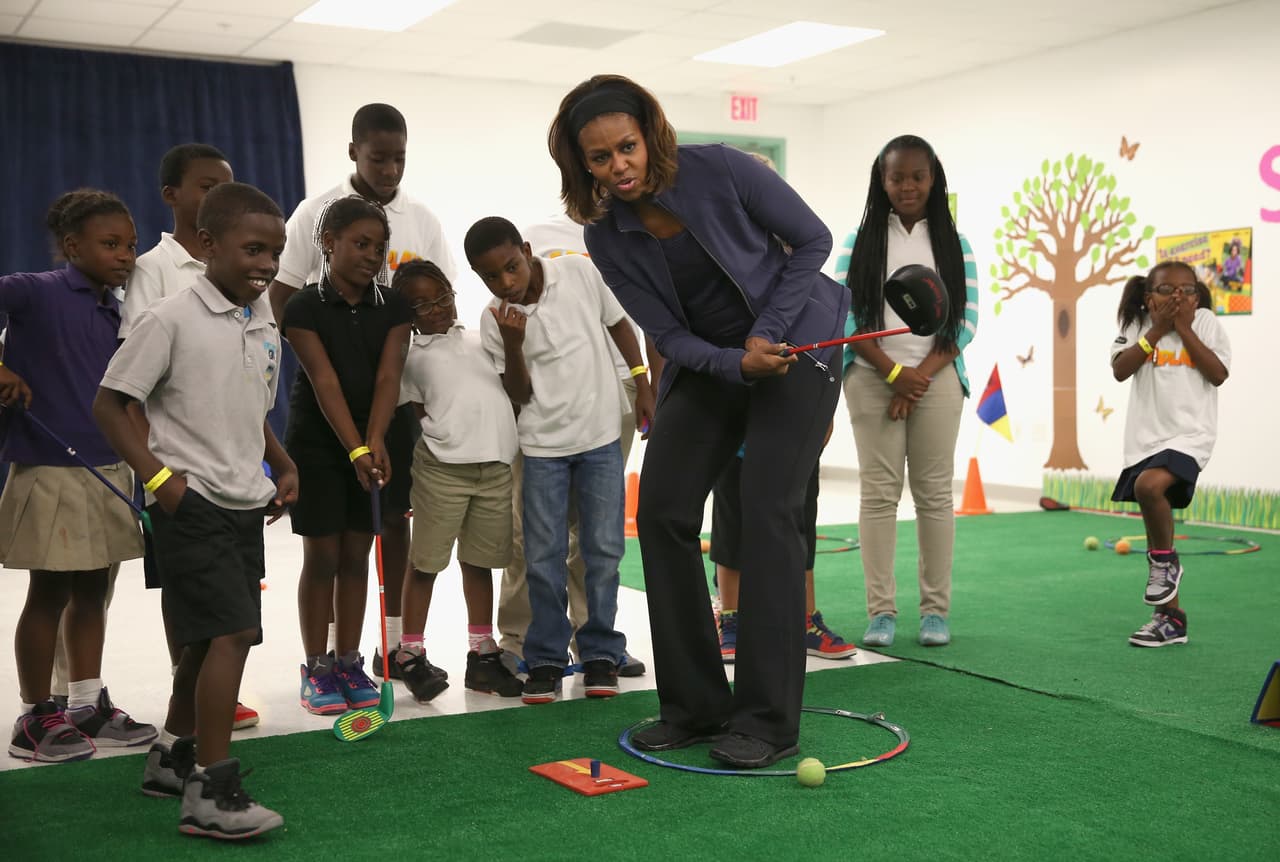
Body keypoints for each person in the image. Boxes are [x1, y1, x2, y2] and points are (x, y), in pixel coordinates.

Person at [551, 75, 847, 768]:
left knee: (767, 507)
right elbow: (666, 336)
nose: (618, 166)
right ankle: (695, 706)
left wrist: (766, 333)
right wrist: (731, 363)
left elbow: (813, 240)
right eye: (599, 158)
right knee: (661, 514)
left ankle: (769, 721)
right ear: (582, 165)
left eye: (626, 147)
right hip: (716, 365)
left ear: (649, 134)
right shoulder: (607, 238)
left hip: (796, 345)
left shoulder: (721, 167)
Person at [94, 181, 295, 839]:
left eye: (276, 251)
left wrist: (282, 464)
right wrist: (160, 480)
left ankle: (171, 757)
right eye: (253, 249)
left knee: (207, 639)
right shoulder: (169, 318)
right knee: (231, 636)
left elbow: (250, 406)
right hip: (193, 504)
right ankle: (210, 791)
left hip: (244, 502)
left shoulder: (262, 317)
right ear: (208, 244)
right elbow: (112, 404)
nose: (266, 263)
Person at [269, 103, 455, 677]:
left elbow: (438, 305)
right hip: (326, 414)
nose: (390, 169)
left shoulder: (419, 220)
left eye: (400, 158)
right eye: (379, 158)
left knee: (384, 530)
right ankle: (319, 660)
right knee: (326, 548)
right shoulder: (312, 214)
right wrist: (318, 347)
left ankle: (392, 647)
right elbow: (285, 296)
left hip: (391, 404)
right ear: (354, 152)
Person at [468, 216, 654, 705]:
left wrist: (644, 383)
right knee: (542, 557)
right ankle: (547, 658)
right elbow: (517, 395)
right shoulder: (494, 319)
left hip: (598, 439)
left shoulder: (578, 272)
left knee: (603, 551)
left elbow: (619, 325)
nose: (506, 283)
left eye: (511, 267)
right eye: (491, 278)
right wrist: (513, 341)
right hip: (541, 448)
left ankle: (599, 654)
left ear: (527, 250)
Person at [1, 189, 154, 764]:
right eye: (111, 244)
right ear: (72, 246)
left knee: (95, 591)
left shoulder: (117, 308)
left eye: (131, 245)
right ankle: (35, 716)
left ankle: (85, 702)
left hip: (108, 466)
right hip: (49, 468)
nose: (125, 255)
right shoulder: (36, 291)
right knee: (48, 594)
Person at [114, 143, 260, 731]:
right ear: (172, 195)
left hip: (233, 472)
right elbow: (133, 385)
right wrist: (159, 476)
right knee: (195, 602)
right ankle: (202, 726)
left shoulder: (243, 281)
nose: (214, 195)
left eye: (224, 185)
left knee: (229, 614)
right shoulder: (155, 272)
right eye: (204, 185)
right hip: (177, 471)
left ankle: (192, 723)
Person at [834, 134, 978, 649]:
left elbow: (965, 320)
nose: (907, 186)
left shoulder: (954, 244)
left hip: (938, 378)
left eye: (917, 176)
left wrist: (920, 376)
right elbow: (847, 316)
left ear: (933, 177)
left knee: (935, 496)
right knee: (879, 495)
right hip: (873, 377)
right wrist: (895, 374)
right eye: (896, 177)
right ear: (882, 180)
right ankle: (882, 612)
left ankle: (935, 612)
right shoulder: (860, 240)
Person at [282, 195, 412, 715]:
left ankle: (349, 660)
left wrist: (375, 439)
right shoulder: (302, 307)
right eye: (360, 244)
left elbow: (389, 376)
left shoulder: (395, 307)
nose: (372, 255)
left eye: (379, 247)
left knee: (357, 552)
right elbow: (323, 379)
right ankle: (316, 666)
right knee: (324, 555)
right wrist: (355, 445)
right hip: (318, 442)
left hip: (376, 438)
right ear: (328, 243)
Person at [395, 259, 522, 700]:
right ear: (406, 312)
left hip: (494, 468)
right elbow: (417, 411)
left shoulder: (479, 340)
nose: (435, 310)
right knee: (426, 562)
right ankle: (410, 653)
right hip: (442, 470)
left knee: (480, 560)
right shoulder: (410, 357)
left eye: (442, 298)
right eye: (422, 305)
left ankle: (481, 653)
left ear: (453, 292)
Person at [1110, 261, 1229, 647]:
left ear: (1197, 295)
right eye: (1167, 290)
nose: (1178, 296)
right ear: (1149, 296)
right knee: (1152, 510)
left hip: (1191, 436)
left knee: (1149, 486)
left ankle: (1164, 563)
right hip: (1145, 439)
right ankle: (1170, 618)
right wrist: (1158, 330)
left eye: (1187, 289)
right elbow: (1121, 369)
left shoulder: (1207, 322)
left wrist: (1183, 328)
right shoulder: (1137, 323)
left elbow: (1218, 373)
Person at [711, 434, 856, 663]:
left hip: (799, 441)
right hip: (737, 439)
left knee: (801, 523)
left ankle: (804, 621)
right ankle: (731, 619)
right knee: (732, 525)